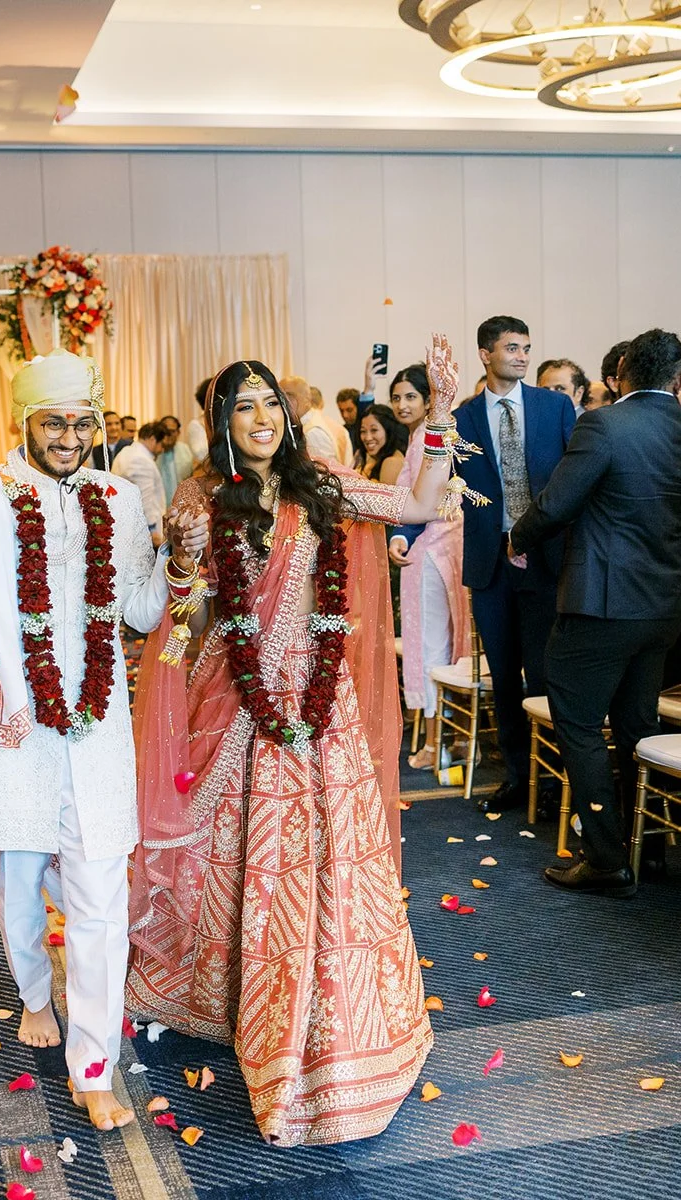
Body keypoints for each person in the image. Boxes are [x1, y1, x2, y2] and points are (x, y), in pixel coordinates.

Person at [129, 342, 468, 1146]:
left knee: (330, 852)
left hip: (322, 703)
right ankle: (234, 992)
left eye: (270, 405)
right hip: (238, 697)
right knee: (233, 847)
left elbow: (418, 503)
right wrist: (183, 566)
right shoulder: (202, 497)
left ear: (287, 416)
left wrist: (441, 418)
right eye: (243, 407)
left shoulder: (322, 484)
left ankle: (333, 1007)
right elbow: (187, 620)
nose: (260, 419)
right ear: (221, 423)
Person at [0, 350, 166, 1133]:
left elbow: (141, 612)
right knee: (18, 881)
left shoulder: (118, 497)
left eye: (83, 423)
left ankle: (94, 1067)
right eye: (55, 423)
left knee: (101, 898)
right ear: (25, 421)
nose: (70, 438)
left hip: (97, 719)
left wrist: (182, 562)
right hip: (14, 710)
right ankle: (32, 995)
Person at [509, 329, 681, 895]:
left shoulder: (603, 424)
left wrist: (516, 539)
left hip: (602, 601)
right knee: (637, 724)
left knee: (578, 721)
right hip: (667, 602)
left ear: (621, 373)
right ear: (679, 377)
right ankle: (646, 849)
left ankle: (606, 857)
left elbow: (557, 504)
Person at [453, 315, 577, 813]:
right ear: (486, 354)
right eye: (511, 348)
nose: (522, 356)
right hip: (491, 560)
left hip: (545, 556)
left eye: (526, 347)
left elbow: (573, 477)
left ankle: (551, 782)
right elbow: (439, 481)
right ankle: (517, 775)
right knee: (504, 676)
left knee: (545, 675)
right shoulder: (460, 419)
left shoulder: (554, 406)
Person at [385, 365, 465, 770]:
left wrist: (403, 536)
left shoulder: (431, 437)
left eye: (410, 397)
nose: (402, 404)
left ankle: (438, 744)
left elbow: (425, 500)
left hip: (433, 548)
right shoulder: (423, 436)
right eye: (396, 398)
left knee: (431, 647)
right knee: (443, 645)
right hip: (441, 546)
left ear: (429, 399)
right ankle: (452, 738)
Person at [358, 403, 407, 484]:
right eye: (363, 431)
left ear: (388, 431)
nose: (368, 438)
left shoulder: (391, 462)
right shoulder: (374, 458)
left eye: (374, 430)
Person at [155, 413, 195, 499]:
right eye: (165, 431)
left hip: (181, 501)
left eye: (172, 431)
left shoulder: (186, 451)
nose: (168, 435)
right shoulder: (152, 451)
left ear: (178, 432)